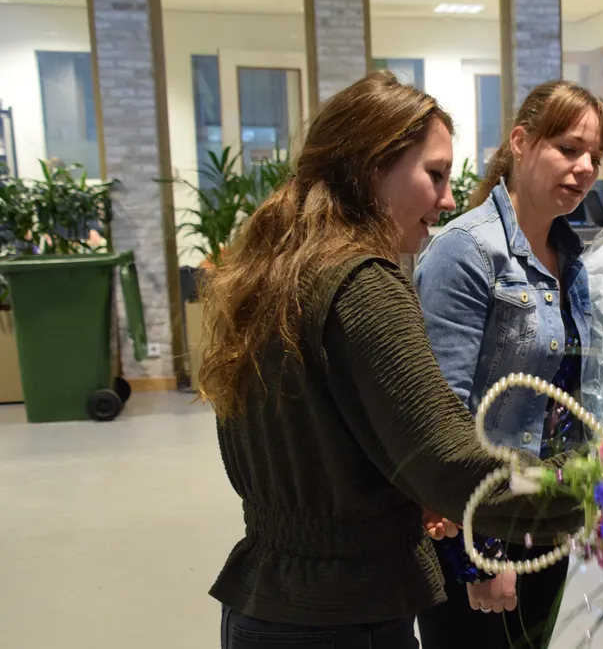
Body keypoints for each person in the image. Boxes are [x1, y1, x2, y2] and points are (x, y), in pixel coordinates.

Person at [201, 72, 582, 649]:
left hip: (265, 606)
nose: (449, 200)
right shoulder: (362, 284)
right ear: (372, 165)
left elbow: (327, 443)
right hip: (343, 618)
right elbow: (449, 465)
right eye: (434, 175)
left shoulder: (273, 271)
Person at [413, 80, 603, 649]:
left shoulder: (573, 257)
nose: (584, 168)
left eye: (596, 157)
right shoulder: (465, 250)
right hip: (480, 531)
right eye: (569, 148)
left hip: (547, 520)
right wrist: (479, 553)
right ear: (521, 142)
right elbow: (441, 419)